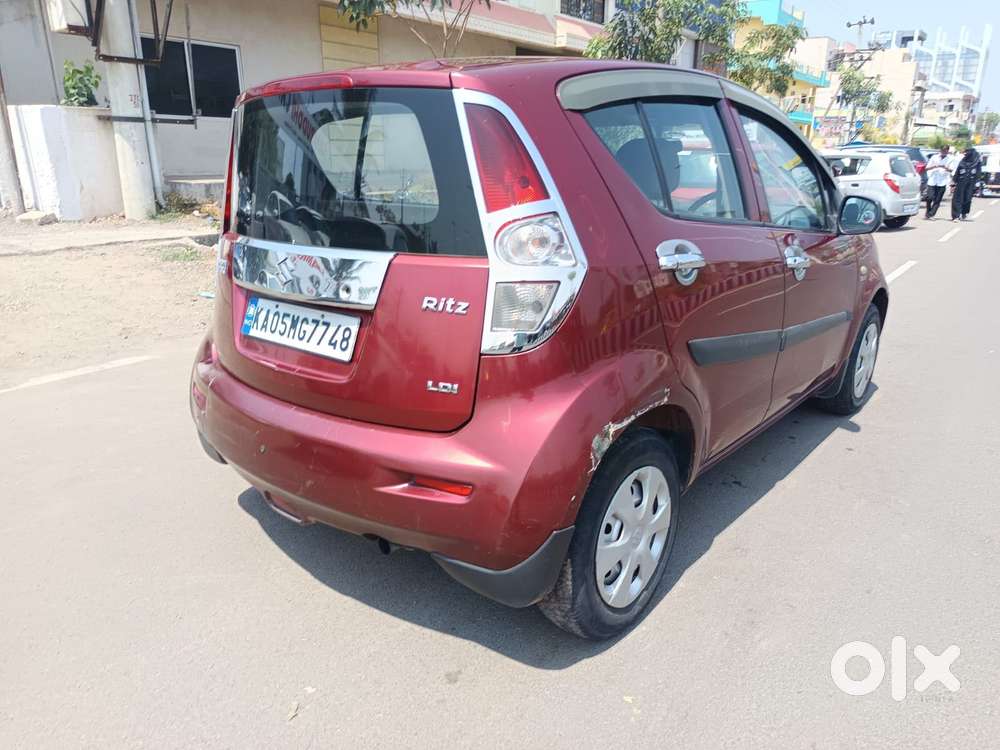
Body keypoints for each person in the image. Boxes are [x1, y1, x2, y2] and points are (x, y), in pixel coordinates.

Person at [951, 145, 982, 221]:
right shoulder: (963, 161)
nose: (965, 153)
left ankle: (964, 213)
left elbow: (978, 173)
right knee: (957, 199)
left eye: (967, 151)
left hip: (971, 183)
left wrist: (977, 183)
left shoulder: (977, 162)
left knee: (967, 199)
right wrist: (953, 182)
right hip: (961, 182)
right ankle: (956, 216)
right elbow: (958, 171)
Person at [924, 145, 951, 219]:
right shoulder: (934, 157)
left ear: (948, 151)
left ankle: (931, 214)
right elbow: (926, 168)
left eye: (945, 151)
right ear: (940, 150)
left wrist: (945, 167)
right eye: (943, 151)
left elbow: (952, 170)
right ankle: (928, 211)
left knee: (937, 200)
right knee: (929, 197)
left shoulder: (950, 159)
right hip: (933, 180)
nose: (944, 152)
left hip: (942, 181)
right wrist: (935, 166)